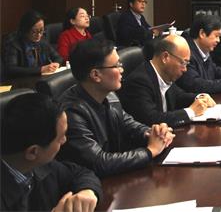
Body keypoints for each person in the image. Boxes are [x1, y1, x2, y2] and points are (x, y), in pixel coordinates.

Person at [58, 38, 175, 177]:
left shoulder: (110, 96)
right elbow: (99, 162)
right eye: (116, 65)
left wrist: (153, 133)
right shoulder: (71, 113)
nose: (122, 70)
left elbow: (130, 125)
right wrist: (150, 151)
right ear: (96, 75)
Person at [1, 92, 102, 212]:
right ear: (33, 152)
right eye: (60, 138)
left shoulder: (39, 165)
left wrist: (87, 191)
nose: (64, 140)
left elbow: (80, 173)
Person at [118, 35, 216, 128]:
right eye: (183, 63)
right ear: (165, 57)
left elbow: (179, 96)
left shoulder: (165, 74)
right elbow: (152, 119)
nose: (185, 69)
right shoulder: (139, 81)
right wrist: (191, 112)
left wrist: (199, 98)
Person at [176, 14, 221, 94]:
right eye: (216, 36)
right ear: (202, 33)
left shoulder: (203, 49)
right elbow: (196, 84)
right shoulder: (186, 53)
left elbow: (213, 69)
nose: (218, 40)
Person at [1, 10, 62, 80]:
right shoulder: (14, 43)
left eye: (41, 30)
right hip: (20, 81)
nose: (39, 35)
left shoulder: (42, 40)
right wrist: (41, 69)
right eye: (34, 31)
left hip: (40, 79)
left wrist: (56, 64)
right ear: (25, 30)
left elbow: (58, 57)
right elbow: (11, 69)